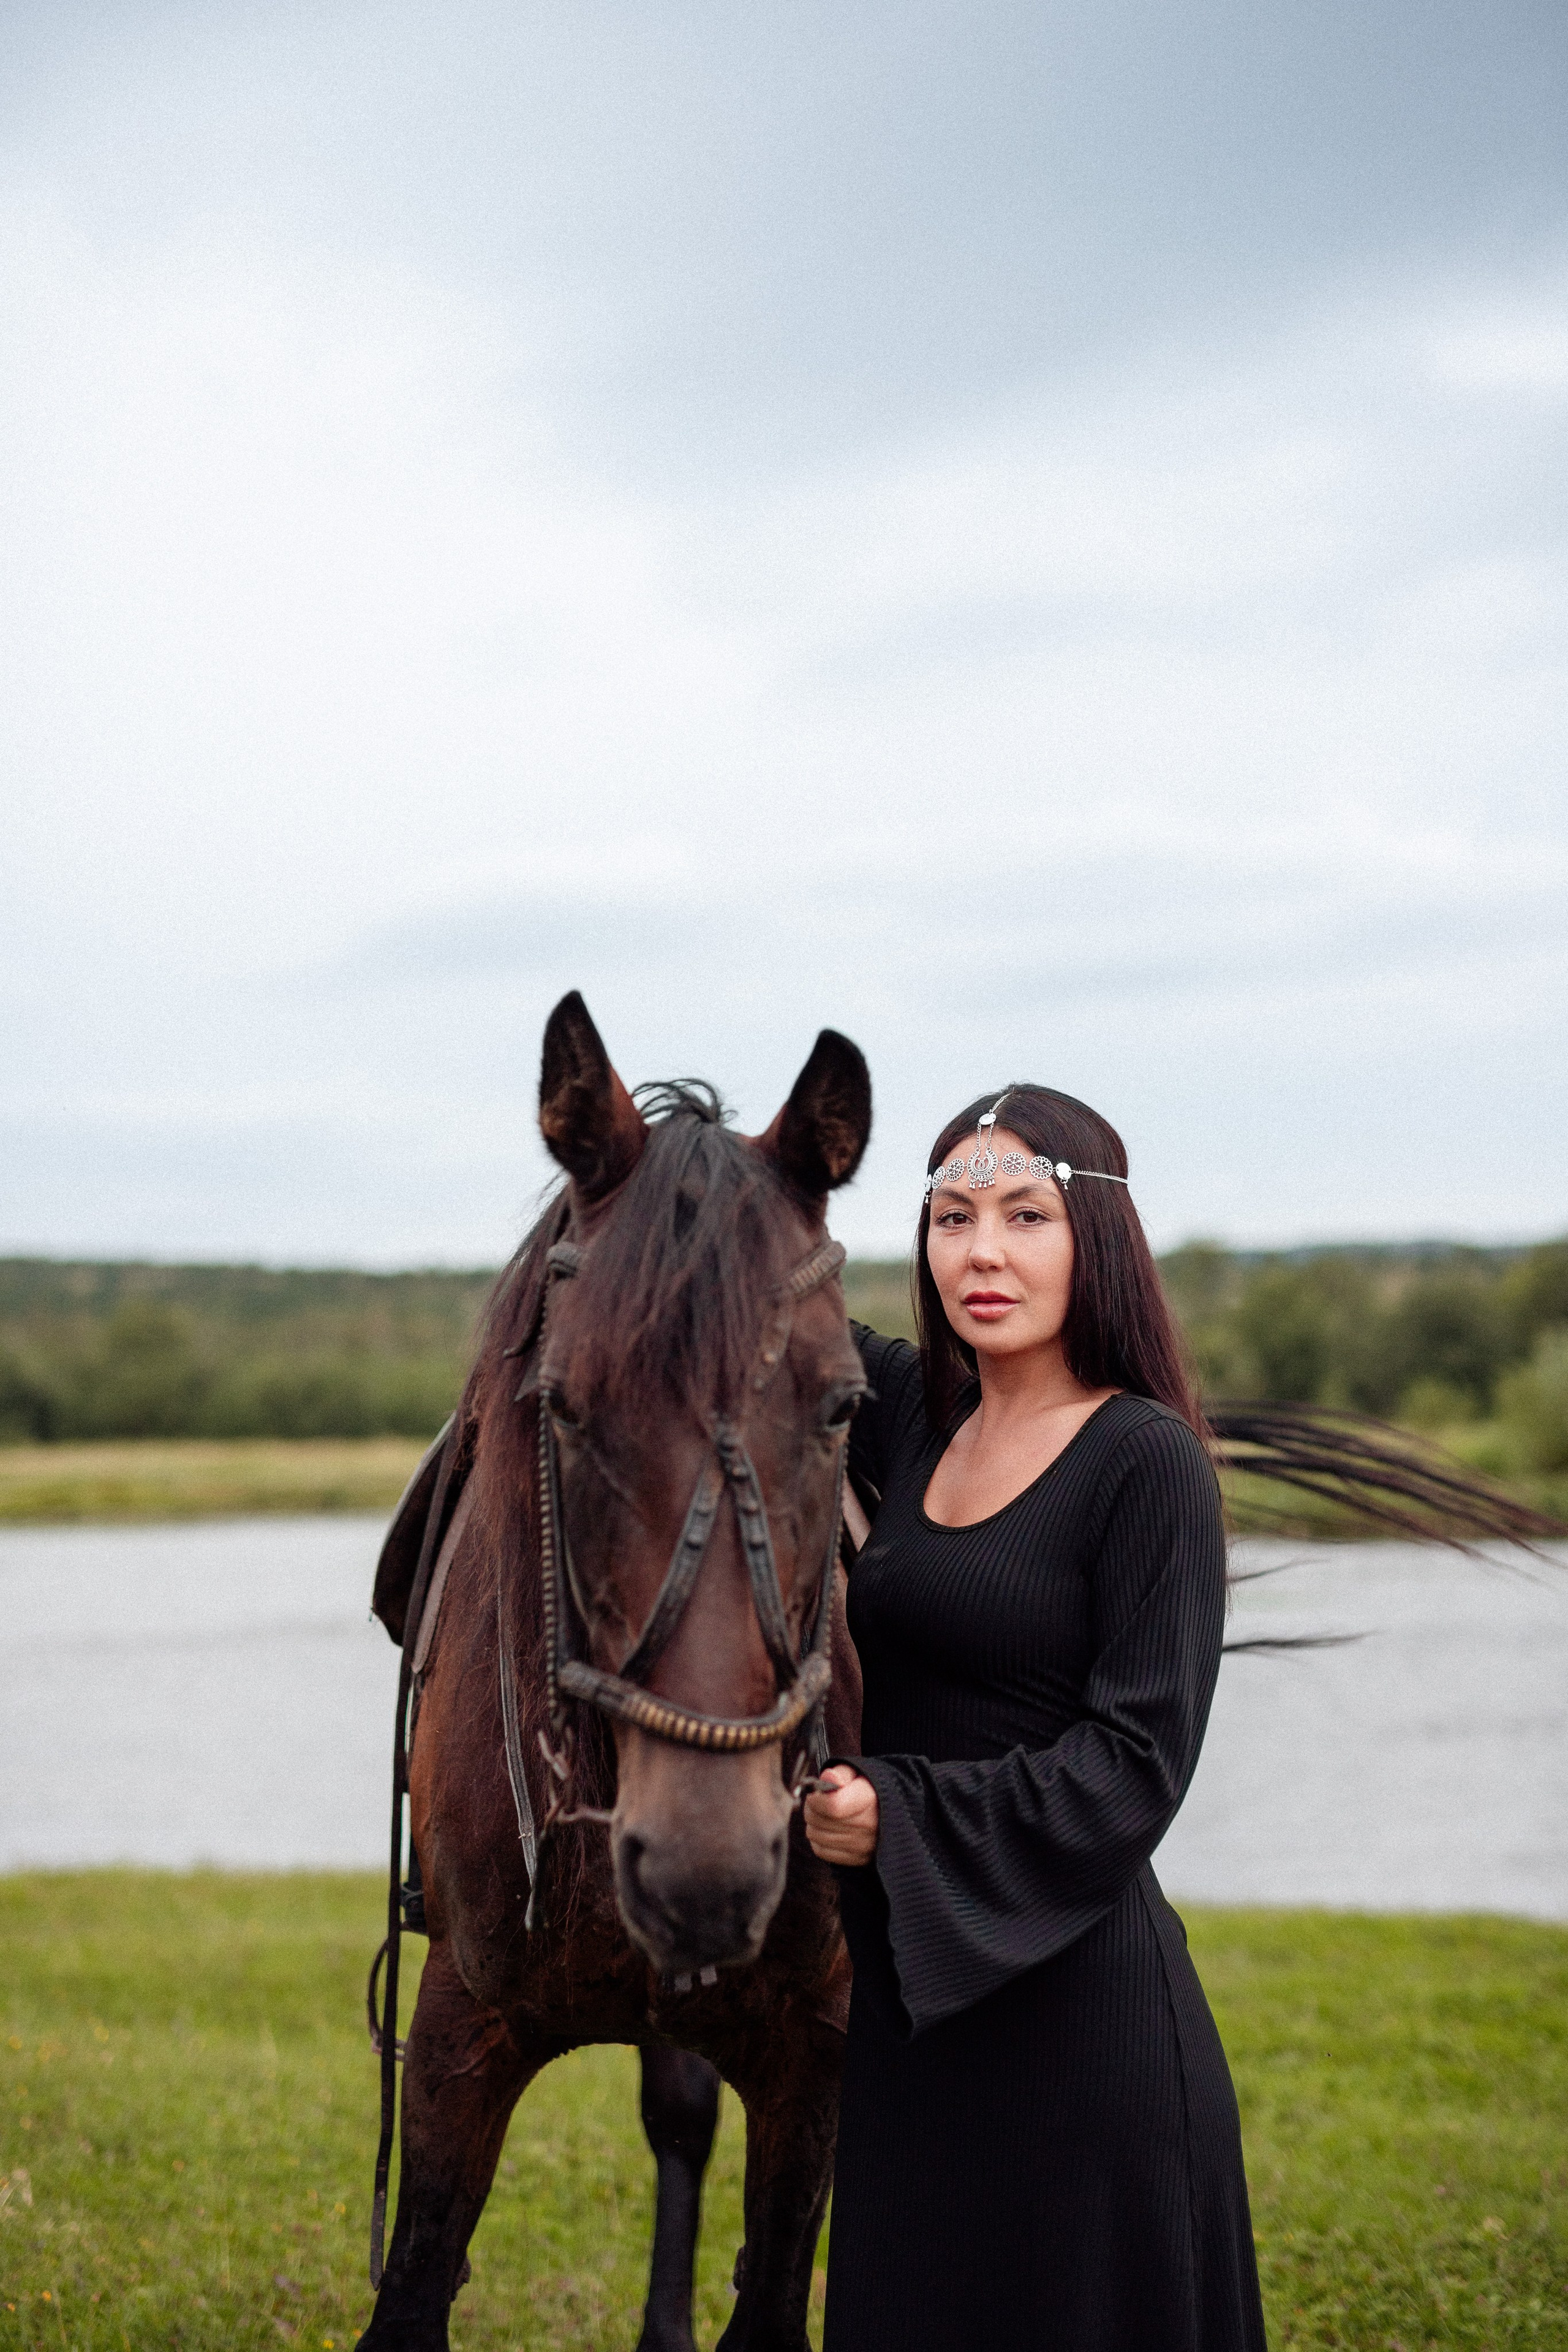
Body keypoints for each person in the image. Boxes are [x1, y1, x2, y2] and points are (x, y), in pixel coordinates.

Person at [803, 1084, 1268, 2352]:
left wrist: (896, 1811)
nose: (981, 1252)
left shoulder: (1144, 1460)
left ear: (1095, 1240)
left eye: (1023, 1215)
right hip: (917, 2012)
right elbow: (761, 1304)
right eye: (950, 1217)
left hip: (1086, 2037)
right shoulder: (915, 1415)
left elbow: (1134, 1766)